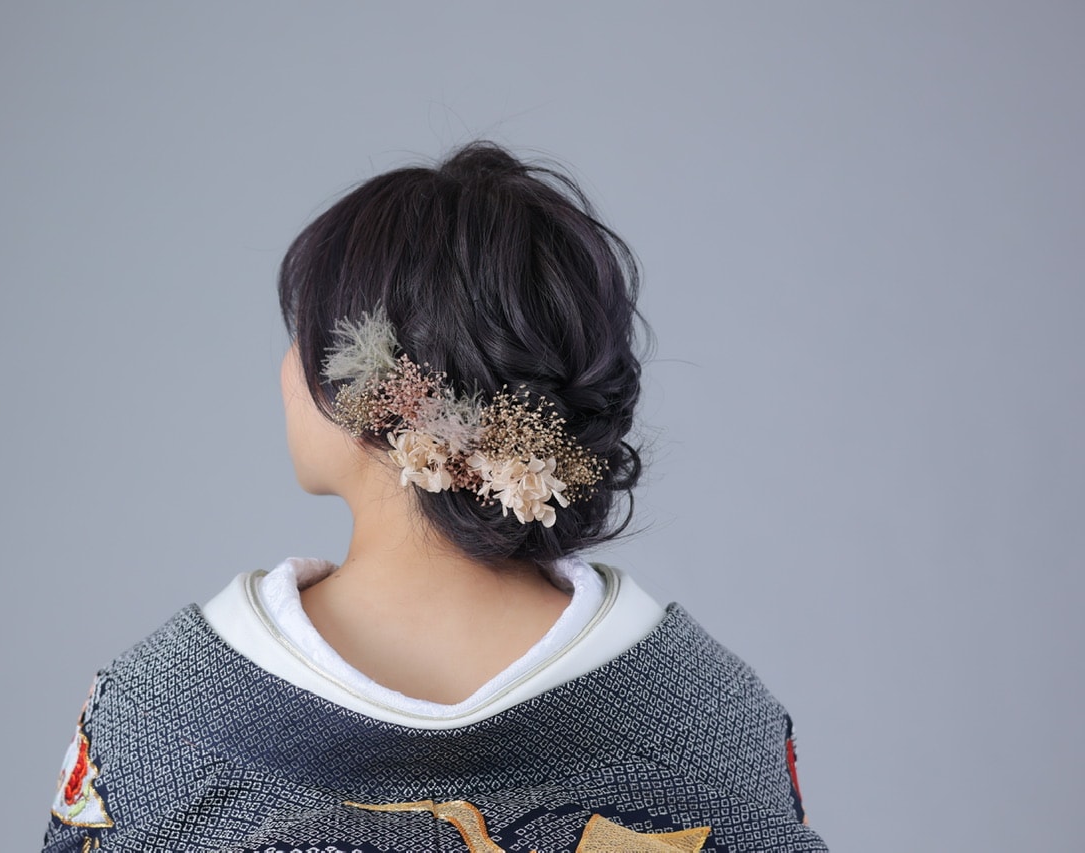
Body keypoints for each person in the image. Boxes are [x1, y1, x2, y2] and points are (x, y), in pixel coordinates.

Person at [41, 142, 828, 852]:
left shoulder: (165, 713)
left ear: (367, 389)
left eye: (303, 334)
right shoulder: (711, 718)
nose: (285, 368)